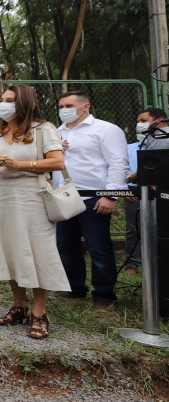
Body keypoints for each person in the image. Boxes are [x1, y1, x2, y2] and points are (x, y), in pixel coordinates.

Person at [0, 84, 70, 339]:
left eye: (10, 100)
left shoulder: (44, 129)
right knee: (11, 249)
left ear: (24, 103)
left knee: (38, 250)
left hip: (33, 195)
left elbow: (56, 162)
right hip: (2, 196)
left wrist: (21, 164)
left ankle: (39, 313)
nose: (4, 104)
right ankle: (19, 306)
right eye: (2, 99)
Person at [53, 90, 128, 311]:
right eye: (61, 106)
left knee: (99, 248)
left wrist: (111, 195)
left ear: (85, 107)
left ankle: (105, 294)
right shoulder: (57, 133)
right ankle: (74, 288)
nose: (63, 110)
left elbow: (117, 163)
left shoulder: (106, 130)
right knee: (66, 245)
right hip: (64, 196)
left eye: (68, 106)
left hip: (93, 198)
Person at [123, 108, 169, 275]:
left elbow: (155, 169)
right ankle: (134, 264)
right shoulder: (139, 144)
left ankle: (156, 266)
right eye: (138, 121)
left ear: (159, 121)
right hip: (135, 194)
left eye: (143, 121)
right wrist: (127, 186)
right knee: (134, 229)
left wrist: (133, 178)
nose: (139, 125)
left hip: (158, 193)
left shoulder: (160, 138)